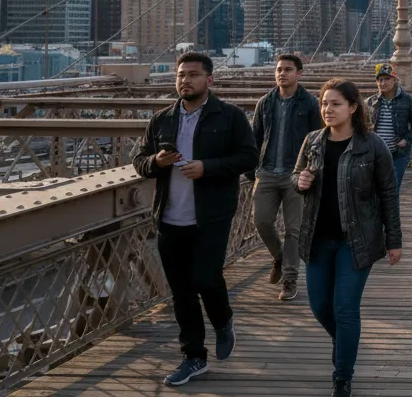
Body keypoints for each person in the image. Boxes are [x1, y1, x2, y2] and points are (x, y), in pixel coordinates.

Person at [132, 51, 258, 387]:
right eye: (180, 75)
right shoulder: (162, 119)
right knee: (181, 293)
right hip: (169, 217)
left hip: (211, 216)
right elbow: (139, 161)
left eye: (193, 74)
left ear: (209, 80)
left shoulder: (229, 116)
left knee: (205, 278)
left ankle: (223, 320)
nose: (185, 80)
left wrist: (207, 167)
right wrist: (157, 162)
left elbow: (248, 157)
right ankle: (193, 357)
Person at [295, 79, 401, 397]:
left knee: (344, 308)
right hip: (317, 238)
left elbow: (388, 193)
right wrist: (298, 180)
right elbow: (296, 176)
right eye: (324, 103)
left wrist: (394, 239)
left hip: (356, 240)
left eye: (336, 103)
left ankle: (342, 376)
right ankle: (344, 341)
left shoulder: (372, 145)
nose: (328, 109)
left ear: (353, 107)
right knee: (319, 306)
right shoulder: (312, 141)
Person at [250, 52, 322, 302]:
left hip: (295, 173)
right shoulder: (265, 103)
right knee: (261, 221)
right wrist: (252, 170)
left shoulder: (311, 103)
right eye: (279, 69)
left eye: (288, 69)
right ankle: (279, 256)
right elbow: (255, 138)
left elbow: (318, 139)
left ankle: (290, 279)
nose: (282, 73)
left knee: (293, 228)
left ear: (298, 74)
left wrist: (311, 170)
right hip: (267, 172)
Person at [366, 63, 412, 192]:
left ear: (394, 80)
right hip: (377, 154)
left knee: (392, 189)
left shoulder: (407, 99)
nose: (383, 83)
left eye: (387, 79)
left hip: (398, 153)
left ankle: (392, 213)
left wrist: (406, 140)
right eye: (380, 80)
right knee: (376, 189)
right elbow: (365, 126)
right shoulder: (371, 102)